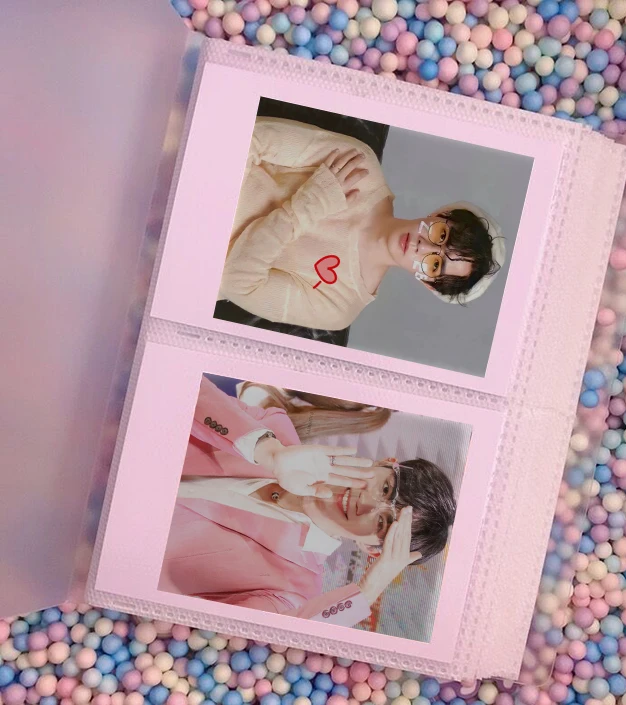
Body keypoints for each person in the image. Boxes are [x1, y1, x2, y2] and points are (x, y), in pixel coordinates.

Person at [159, 377, 457, 629]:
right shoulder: (275, 429)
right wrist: (269, 453)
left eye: (383, 523)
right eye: (386, 488)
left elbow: (253, 636)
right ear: (384, 462)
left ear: (371, 549)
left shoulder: (293, 590)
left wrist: (366, 593)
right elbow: (179, 383)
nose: (367, 503)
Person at [218, 117, 506, 331]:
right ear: (442, 213)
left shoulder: (338, 308)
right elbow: (244, 137)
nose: (423, 246)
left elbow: (235, 282)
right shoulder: (361, 166)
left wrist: (308, 207)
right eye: (440, 235)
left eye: (434, 264)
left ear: (429, 284)